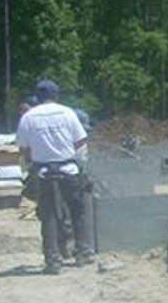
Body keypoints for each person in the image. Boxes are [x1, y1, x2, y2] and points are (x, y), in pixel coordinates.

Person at [15, 79, 115, 274]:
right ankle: (83, 252)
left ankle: (52, 261)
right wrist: (78, 163)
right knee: (77, 211)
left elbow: (24, 148)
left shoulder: (29, 117)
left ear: (38, 96)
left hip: (44, 172)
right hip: (68, 170)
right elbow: (81, 140)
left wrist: (32, 164)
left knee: (48, 216)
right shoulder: (68, 113)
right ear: (56, 95)